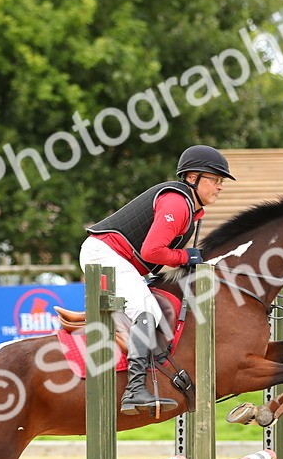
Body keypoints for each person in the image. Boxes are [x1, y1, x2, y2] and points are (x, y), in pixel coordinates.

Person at [79, 145, 234, 415]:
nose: (220, 186)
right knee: (147, 310)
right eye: (215, 179)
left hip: (121, 260)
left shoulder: (190, 207)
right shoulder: (177, 202)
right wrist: (186, 257)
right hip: (104, 255)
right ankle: (134, 390)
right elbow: (153, 251)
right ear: (192, 178)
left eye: (221, 181)